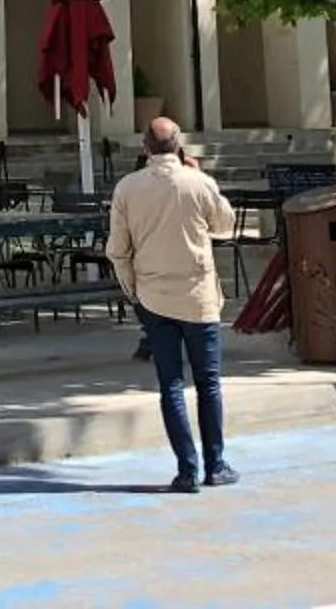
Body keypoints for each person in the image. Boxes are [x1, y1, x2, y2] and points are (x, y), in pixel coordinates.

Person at [107, 116, 240, 492]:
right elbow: (225, 224)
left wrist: (133, 291)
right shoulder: (198, 183)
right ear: (180, 146)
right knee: (209, 383)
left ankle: (187, 469)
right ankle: (215, 465)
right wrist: (202, 178)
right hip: (198, 297)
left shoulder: (127, 188)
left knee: (171, 385)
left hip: (153, 296)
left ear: (145, 148)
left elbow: (118, 250)